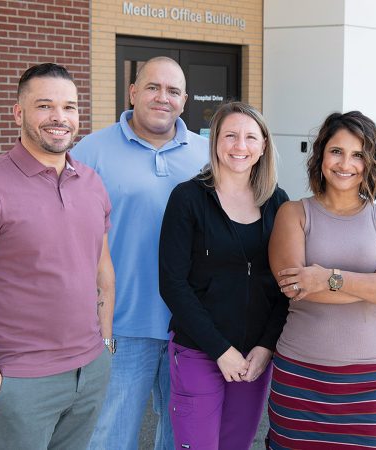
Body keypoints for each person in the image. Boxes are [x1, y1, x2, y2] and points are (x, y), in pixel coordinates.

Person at [0, 63, 114, 450]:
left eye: (69, 107)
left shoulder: (91, 182)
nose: (59, 118)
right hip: (21, 382)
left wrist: (104, 350)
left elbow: (102, 272)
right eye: (44, 106)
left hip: (89, 373)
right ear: (19, 113)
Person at [73, 56, 208, 450]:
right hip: (120, 326)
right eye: (152, 87)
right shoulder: (91, 151)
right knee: (110, 437)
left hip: (190, 328)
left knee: (181, 437)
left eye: (172, 91)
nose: (161, 97)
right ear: (133, 93)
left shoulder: (207, 154)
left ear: (184, 100)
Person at [267, 111, 376, 449]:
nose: (345, 163)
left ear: (371, 162)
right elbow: (295, 287)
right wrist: (372, 284)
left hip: (371, 381)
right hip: (301, 375)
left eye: (358, 154)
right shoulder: (293, 213)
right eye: (336, 151)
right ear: (321, 156)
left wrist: (326, 277)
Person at [158, 101, 289, 450]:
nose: (240, 146)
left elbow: (285, 286)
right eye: (230, 135)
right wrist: (220, 349)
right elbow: (172, 284)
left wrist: (266, 346)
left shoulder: (278, 203)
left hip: (253, 357)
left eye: (250, 137)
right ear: (215, 141)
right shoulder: (187, 199)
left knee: (236, 445)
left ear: (263, 145)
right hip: (199, 351)